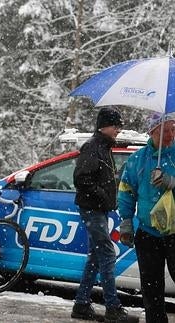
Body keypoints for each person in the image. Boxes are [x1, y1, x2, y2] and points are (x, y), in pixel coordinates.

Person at [71, 106, 131, 322]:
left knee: (96, 257)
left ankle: (81, 304)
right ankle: (113, 307)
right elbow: (82, 179)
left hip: (98, 209)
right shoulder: (93, 147)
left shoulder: (104, 147)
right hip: (92, 209)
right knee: (107, 253)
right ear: (104, 126)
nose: (118, 130)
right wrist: (102, 197)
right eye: (115, 126)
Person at [118, 111, 175, 323]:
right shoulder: (137, 160)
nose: (170, 135)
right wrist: (125, 222)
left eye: (173, 129)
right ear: (152, 132)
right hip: (148, 233)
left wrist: (172, 182)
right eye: (164, 131)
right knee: (151, 288)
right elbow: (126, 191)